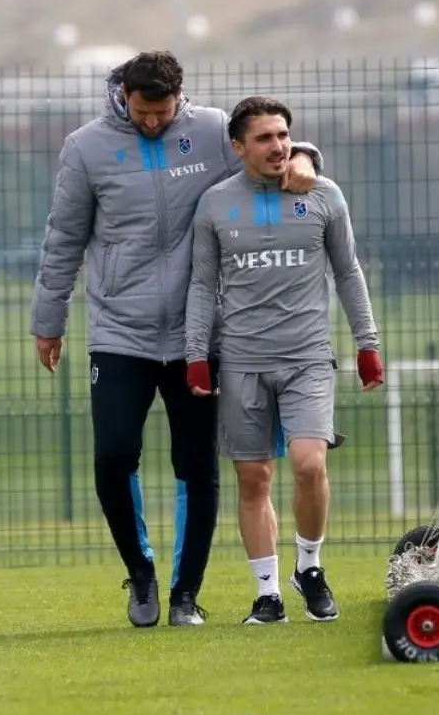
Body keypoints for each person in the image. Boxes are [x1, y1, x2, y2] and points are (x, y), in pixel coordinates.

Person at [29, 52, 325, 628]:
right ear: (123, 96)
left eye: (162, 112)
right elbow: (63, 237)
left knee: (197, 467)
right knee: (113, 458)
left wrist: (310, 157)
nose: (152, 123)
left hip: (201, 334)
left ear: (180, 95)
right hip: (120, 331)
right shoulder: (85, 148)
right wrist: (49, 319)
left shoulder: (214, 131)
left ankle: (185, 594)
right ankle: (140, 574)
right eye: (142, 112)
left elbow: (273, 148)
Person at [184, 95, 382, 626]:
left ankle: (310, 569)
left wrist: (368, 344)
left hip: (307, 358)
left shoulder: (323, 195)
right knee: (254, 479)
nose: (277, 146)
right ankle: (267, 595)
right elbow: (203, 285)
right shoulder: (215, 205)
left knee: (310, 463)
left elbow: (348, 272)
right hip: (242, 360)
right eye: (264, 138)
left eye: (283, 136)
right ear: (238, 146)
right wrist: (195, 354)